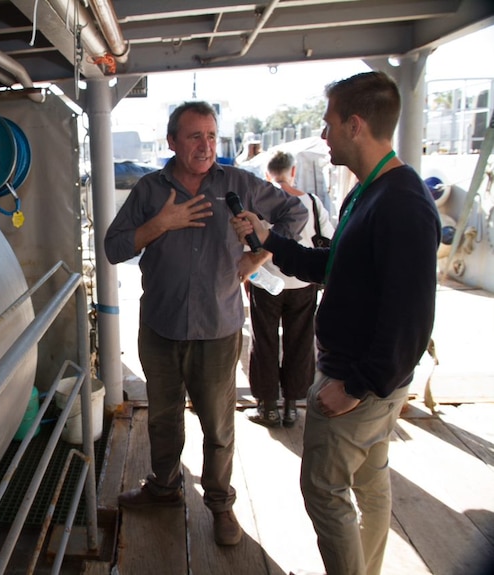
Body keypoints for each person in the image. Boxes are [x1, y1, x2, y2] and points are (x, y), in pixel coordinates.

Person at [230, 72, 440, 574]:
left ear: (355, 124)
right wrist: (270, 240)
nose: (323, 136)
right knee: (370, 484)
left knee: (324, 491)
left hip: (359, 382)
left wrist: (356, 386)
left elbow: (411, 318)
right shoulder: (366, 194)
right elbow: (332, 269)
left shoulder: (402, 204)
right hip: (360, 376)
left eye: (328, 125)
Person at [104, 101, 307, 546]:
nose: (206, 144)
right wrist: (159, 224)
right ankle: (163, 488)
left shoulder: (238, 183)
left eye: (212, 135)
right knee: (162, 419)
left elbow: (296, 214)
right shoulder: (149, 191)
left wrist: (258, 256)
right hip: (160, 328)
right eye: (195, 136)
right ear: (172, 142)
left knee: (218, 427)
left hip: (218, 330)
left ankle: (220, 504)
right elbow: (114, 247)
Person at [247, 150, 335, 428]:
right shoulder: (311, 202)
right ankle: (292, 407)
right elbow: (328, 238)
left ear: (266, 175)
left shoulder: (259, 203)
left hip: (265, 283)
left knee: (264, 342)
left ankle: (268, 407)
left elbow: (247, 242)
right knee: (300, 341)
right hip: (303, 283)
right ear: (292, 171)